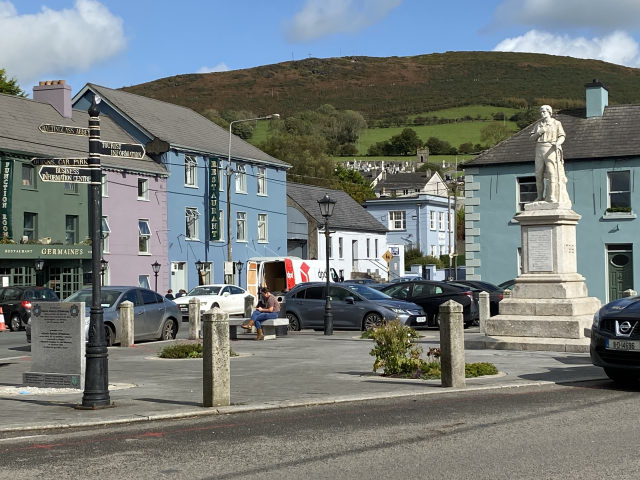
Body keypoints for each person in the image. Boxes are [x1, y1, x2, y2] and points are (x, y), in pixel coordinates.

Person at [530, 105, 570, 206]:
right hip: (539, 148)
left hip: (550, 148)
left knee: (551, 172)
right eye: (541, 112)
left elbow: (562, 136)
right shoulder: (538, 125)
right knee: (538, 174)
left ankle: (551, 196)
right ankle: (539, 196)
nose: (542, 113)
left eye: (544, 111)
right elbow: (531, 138)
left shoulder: (556, 123)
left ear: (549, 112)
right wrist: (539, 132)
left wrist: (557, 143)